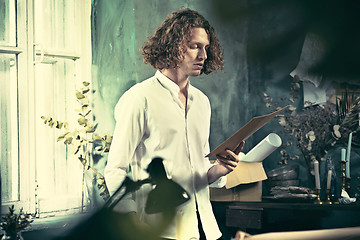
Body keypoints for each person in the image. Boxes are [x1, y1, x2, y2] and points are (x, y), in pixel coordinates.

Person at [104, 8, 244, 240]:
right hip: (161, 231)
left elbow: (197, 169)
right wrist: (132, 222)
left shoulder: (202, 102)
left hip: (206, 228)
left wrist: (221, 169)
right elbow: (115, 169)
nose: (203, 55)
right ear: (172, 45)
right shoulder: (139, 98)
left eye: (206, 47)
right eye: (194, 46)